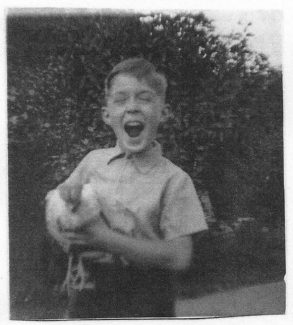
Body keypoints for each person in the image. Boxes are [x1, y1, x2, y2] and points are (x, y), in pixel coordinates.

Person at [46, 57, 208, 318]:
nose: (132, 107)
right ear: (107, 115)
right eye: (120, 99)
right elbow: (61, 202)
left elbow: (180, 257)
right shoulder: (92, 161)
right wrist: (67, 202)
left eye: (144, 98)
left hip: (144, 299)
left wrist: (105, 239)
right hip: (86, 292)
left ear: (163, 113)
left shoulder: (175, 180)